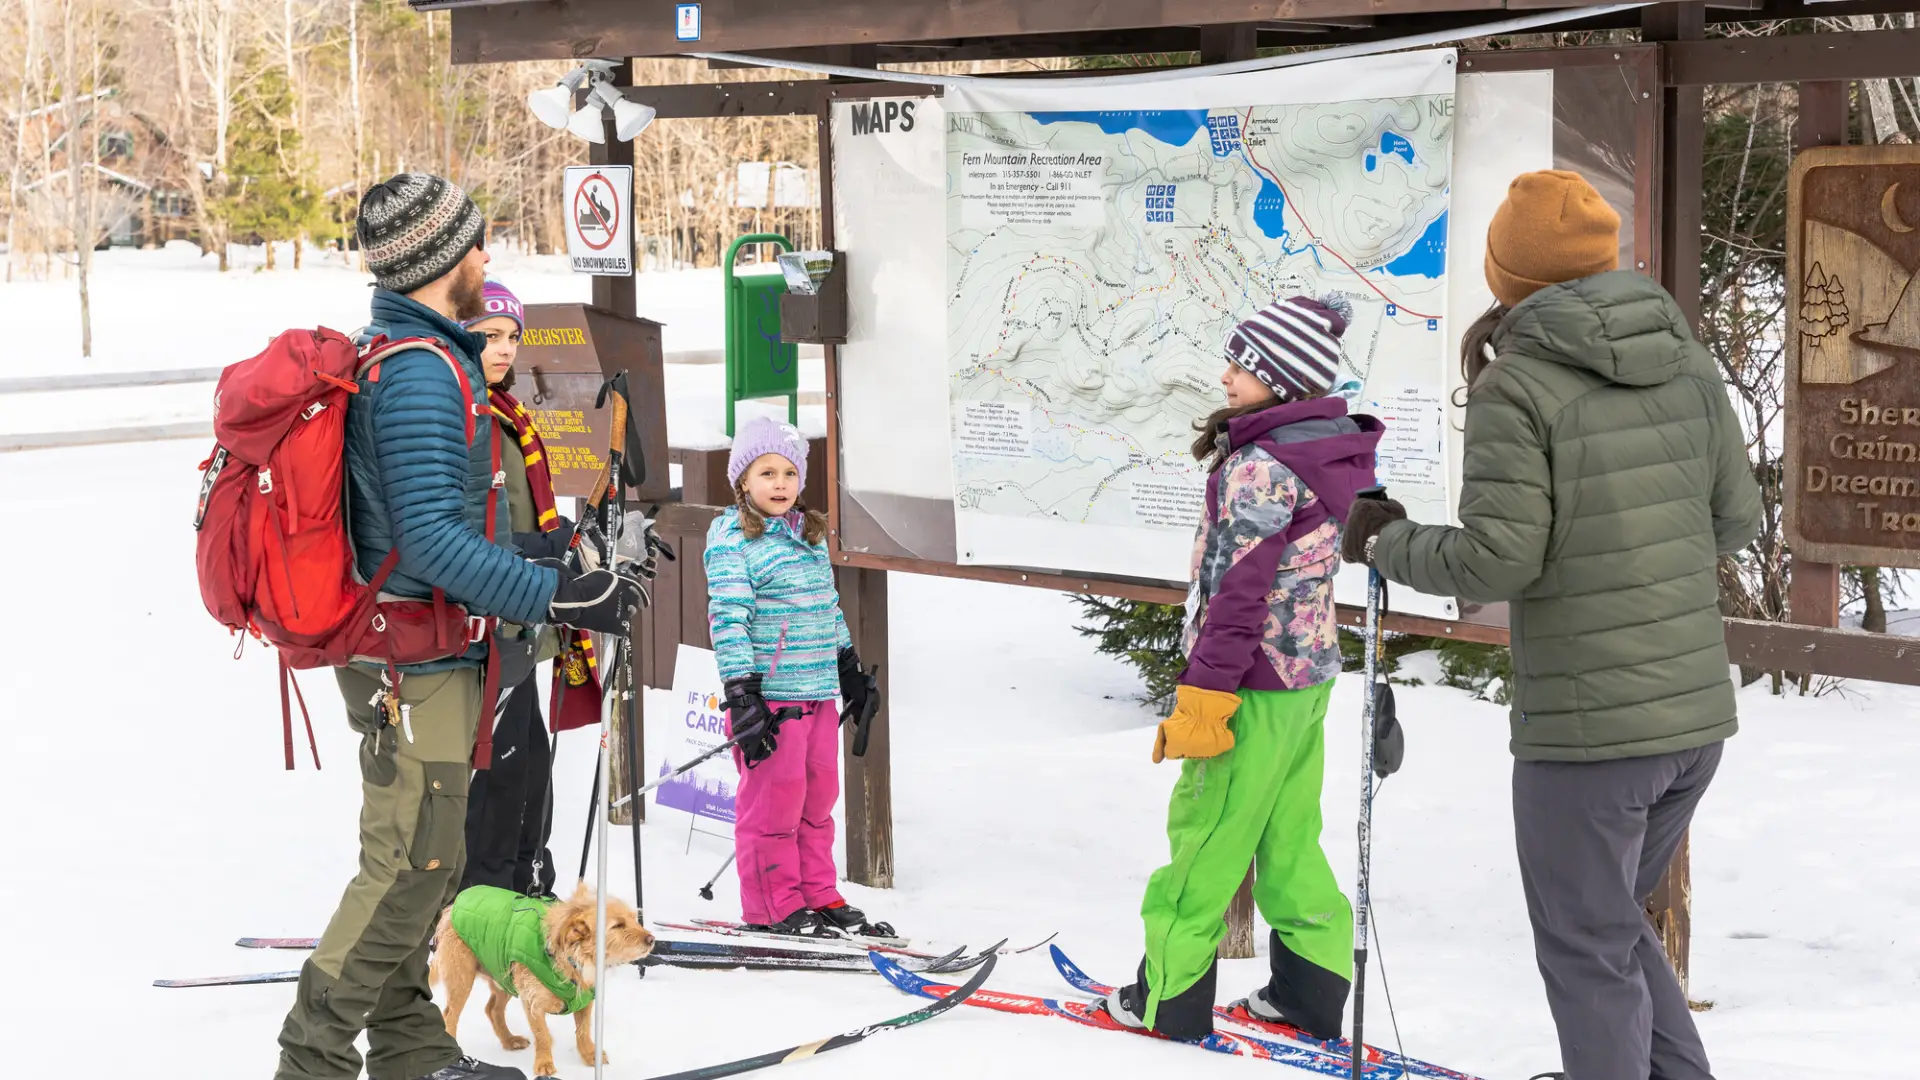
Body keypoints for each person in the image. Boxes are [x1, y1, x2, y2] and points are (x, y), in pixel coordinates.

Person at [1339, 169, 1763, 1080]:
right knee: (1606, 923)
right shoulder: (1684, 359)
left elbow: (1498, 561)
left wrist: (1386, 542)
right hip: (1690, 721)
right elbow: (1734, 521)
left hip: (1590, 735)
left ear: (1507, 276)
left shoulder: (1518, 387)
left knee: (1585, 941)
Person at [275, 173, 647, 1080]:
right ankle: (311, 1060)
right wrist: (555, 598)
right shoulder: (417, 372)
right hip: (410, 660)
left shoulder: (418, 354)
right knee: (404, 862)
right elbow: (429, 540)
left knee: (432, 864)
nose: (487, 256)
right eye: (476, 242)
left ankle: (409, 1052)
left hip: (426, 651)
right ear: (440, 258)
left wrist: (550, 572)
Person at [1095, 295, 1383, 1042]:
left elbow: (1236, 591)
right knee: (1289, 836)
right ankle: (1309, 992)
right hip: (1307, 678)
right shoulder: (1332, 450)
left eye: (1242, 367)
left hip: (1248, 682)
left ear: (1280, 380)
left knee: (1207, 835)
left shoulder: (1262, 468)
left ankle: (1168, 999)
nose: (1225, 378)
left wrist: (1206, 691)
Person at [704, 416, 887, 939]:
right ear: (742, 480)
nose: (780, 483)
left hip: (818, 694)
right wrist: (742, 692)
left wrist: (848, 666)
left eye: (788, 472)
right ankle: (771, 903)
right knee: (774, 805)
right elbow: (729, 617)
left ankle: (816, 892)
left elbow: (827, 607)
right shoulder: (731, 541)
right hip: (772, 701)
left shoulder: (806, 534)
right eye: (766, 472)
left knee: (816, 800)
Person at [459, 279, 606, 901]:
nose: (504, 349)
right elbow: (463, 530)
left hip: (521, 611)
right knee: (499, 770)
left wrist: (567, 540)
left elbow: (518, 509)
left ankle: (525, 883)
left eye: (513, 337)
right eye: (489, 335)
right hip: (482, 616)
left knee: (530, 766)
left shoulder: (506, 412)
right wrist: (552, 551)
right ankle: (487, 900)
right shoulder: (464, 416)